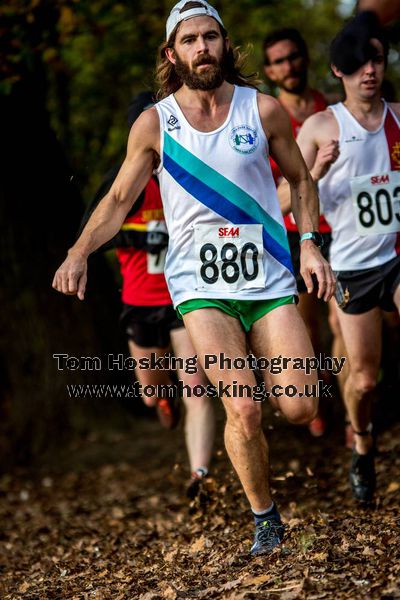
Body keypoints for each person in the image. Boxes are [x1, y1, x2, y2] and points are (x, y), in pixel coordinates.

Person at [52, 0, 335, 555]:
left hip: (269, 278)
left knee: (301, 406)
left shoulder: (264, 110)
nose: (202, 47)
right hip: (199, 288)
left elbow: (301, 181)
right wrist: (78, 250)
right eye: (189, 39)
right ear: (171, 52)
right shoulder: (157, 122)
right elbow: (116, 199)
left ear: (225, 45)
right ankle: (265, 518)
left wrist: (309, 246)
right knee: (243, 407)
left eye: (210, 36)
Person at [81, 92, 216, 497]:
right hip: (140, 304)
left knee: (198, 390)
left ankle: (200, 476)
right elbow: (95, 227)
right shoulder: (121, 184)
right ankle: (162, 402)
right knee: (150, 391)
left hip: (184, 298)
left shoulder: (191, 175)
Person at [291, 20, 400, 503]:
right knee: (363, 378)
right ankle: (362, 440)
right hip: (353, 267)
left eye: (376, 62)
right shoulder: (321, 126)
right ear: (339, 71)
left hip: (397, 255)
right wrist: (316, 169)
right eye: (357, 66)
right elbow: (282, 196)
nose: (369, 73)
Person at [263, 28, 346, 438]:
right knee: (308, 324)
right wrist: (314, 172)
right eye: (278, 60)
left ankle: (354, 401)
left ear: (304, 58)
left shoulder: (331, 107)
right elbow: (271, 198)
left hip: (344, 228)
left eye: (293, 56)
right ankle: (317, 396)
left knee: (346, 317)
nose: (288, 66)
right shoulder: (265, 120)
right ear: (268, 69)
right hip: (294, 235)